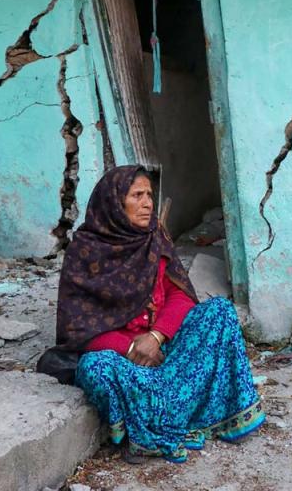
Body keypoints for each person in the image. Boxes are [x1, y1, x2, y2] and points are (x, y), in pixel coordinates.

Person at [55, 165, 264, 463]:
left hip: (164, 346)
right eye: (137, 195)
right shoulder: (84, 252)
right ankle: (173, 411)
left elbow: (179, 293)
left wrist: (157, 335)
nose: (147, 203)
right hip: (125, 358)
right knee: (94, 369)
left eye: (149, 195)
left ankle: (162, 410)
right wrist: (130, 347)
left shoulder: (155, 238)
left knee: (219, 312)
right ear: (114, 203)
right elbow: (76, 328)